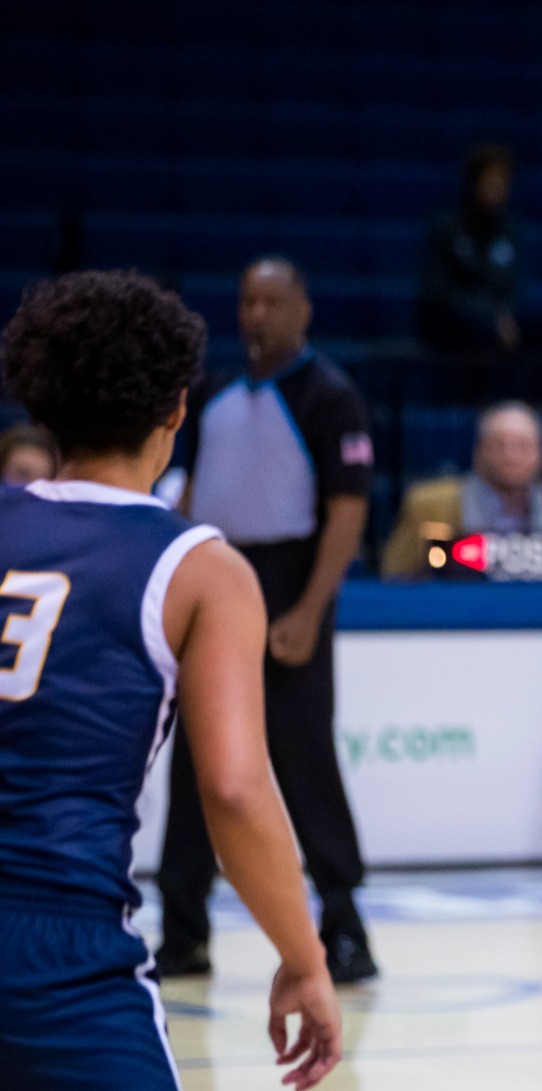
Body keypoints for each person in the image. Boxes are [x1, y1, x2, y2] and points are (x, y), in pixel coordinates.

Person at [0, 270, 342, 1091]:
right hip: (54, 939)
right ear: (178, 409)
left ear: (41, 404)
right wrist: (303, 956)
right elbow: (232, 786)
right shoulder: (201, 567)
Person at [160, 256, 378, 984]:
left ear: (302, 310)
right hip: (217, 572)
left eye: (272, 301)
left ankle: (343, 926)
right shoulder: (213, 392)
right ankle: (183, 932)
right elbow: (189, 492)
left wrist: (311, 608)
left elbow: (348, 509)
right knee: (197, 761)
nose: (256, 314)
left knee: (303, 758)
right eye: (248, 300)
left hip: (289, 583)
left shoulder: (330, 395)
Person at [417, 144, 542, 403]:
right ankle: (478, 404)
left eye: (503, 181)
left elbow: (511, 286)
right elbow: (437, 292)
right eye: (491, 180)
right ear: (473, 182)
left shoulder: (509, 229)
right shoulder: (446, 228)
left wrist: (502, 318)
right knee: (483, 334)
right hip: (454, 320)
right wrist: (488, 317)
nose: (498, 188)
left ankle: (530, 412)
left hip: (498, 318)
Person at [379, 400, 542, 579]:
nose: (511, 456)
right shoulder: (430, 507)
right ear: (478, 453)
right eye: (499, 445)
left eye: (523, 446)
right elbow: (394, 579)